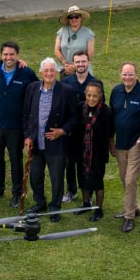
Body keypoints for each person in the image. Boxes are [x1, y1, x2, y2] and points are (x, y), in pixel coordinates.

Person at [22, 58, 77, 222]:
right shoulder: (32, 88)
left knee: (56, 177)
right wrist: (27, 136)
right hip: (36, 142)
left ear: (56, 72)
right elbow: (26, 114)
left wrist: (62, 131)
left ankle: (55, 208)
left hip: (56, 143)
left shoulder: (66, 90)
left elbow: (74, 118)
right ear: (41, 73)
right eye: (46, 70)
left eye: (52, 70)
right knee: (36, 176)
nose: (49, 73)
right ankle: (40, 203)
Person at [0, 41, 38, 207]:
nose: (9, 57)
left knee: (15, 159)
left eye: (12, 54)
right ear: (1, 56)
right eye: (5, 54)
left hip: (15, 126)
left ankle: (17, 193)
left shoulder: (26, 73)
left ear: (17, 56)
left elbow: (37, 91)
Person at [109, 62, 140, 232]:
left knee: (130, 180)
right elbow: (112, 117)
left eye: (130, 74)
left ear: (136, 75)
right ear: (120, 75)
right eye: (124, 74)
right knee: (124, 178)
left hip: (136, 144)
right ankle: (133, 207)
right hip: (120, 143)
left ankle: (129, 216)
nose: (127, 77)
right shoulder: (116, 91)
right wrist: (111, 140)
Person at [61, 51, 100, 204]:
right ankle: (71, 190)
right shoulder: (67, 81)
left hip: (88, 130)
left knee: (86, 163)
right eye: (77, 62)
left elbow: (100, 106)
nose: (81, 65)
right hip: (71, 130)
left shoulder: (95, 82)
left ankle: (87, 192)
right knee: (69, 162)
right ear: (73, 64)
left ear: (88, 63)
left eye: (83, 61)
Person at [78, 81, 113, 221]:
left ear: (100, 96)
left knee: (97, 180)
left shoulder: (106, 111)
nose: (91, 98)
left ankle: (98, 209)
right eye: (89, 95)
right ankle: (86, 203)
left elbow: (109, 132)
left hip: (97, 153)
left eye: (95, 96)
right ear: (85, 95)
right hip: (82, 152)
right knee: (83, 178)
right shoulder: (80, 108)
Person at [54, 5, 95, 76]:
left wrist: (74, 66)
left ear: (81, 18)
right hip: (65, 69)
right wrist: (64, 63)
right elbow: (57, 50)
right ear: (68, 19)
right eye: (71, 17)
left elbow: (90, 54)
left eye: (76, 16)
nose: (74, 19)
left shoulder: (89, 33)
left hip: (83, 70)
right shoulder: (61, 32)